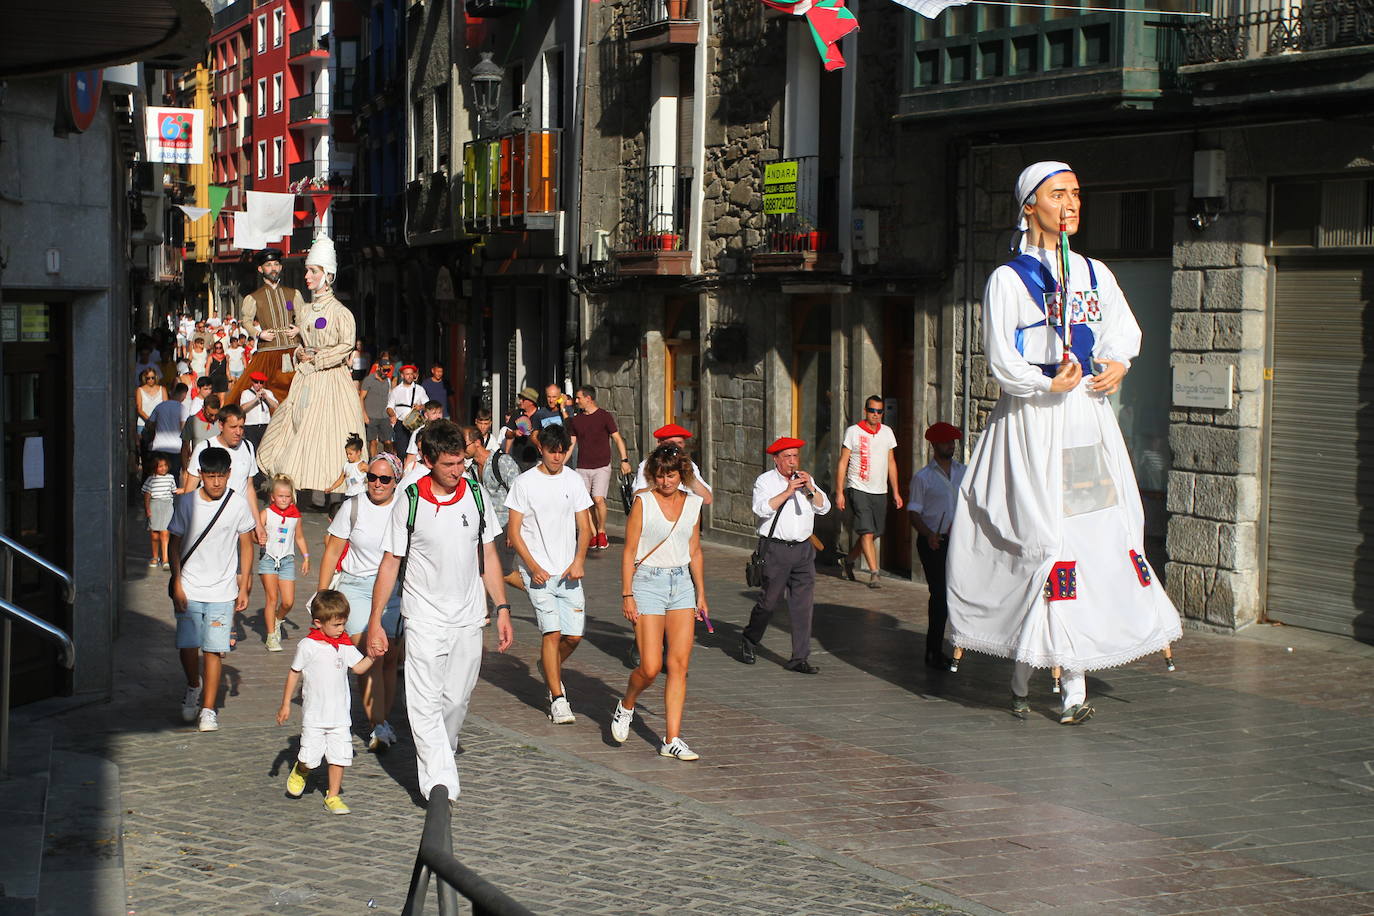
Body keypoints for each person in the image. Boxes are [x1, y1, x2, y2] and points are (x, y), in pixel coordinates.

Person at [946, 161, 1182, 725]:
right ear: (1030, 205)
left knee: (1088, 532)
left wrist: (1118, 364)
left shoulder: (1095, 273)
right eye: (1058, 194)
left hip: (1083, 425)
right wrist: (1043, 383)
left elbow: (1123, 331)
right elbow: (1001, 357)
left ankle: (1071, 681)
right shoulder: (1008, 280)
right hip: (1033, 424)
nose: (1071, 203)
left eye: (1076, 193)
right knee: (1037, 537)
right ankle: (1025, 671)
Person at [365, 421, 513, 803]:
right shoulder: (410, 500)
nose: (457, 470)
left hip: (468, 616)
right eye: (449, 464)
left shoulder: (476, 495)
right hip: (423, 616)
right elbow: (390, 563)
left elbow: (488, 554)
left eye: (461, 462)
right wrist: (376, 619)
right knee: (424, 702)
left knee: (456, 701)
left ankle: (441, 755)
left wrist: (502, 607)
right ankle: (439, 785)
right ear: (428, 461)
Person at [611, 445, 708, 761]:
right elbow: (629, 551)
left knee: (679, 665)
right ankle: (626, 704)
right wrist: (627, 593)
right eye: (661, 475)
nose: (666, 481)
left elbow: (694, 550)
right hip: (648, 583)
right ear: (654, 474)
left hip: (682, 584)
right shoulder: (643, 502)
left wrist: (701, 593)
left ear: (682, 474)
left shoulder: (693, 504)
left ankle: (672, 739)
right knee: (651, 666)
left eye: (672, 474)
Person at [257, 235, 369, 492]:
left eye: (313, 271)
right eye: (307, 271)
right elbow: (300, 341)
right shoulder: (305, 310)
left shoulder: (341, 313)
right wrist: (300, 353)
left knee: (330, 431)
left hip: (332, 379)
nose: (307, 276)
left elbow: (346, 346)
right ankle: (303, 481)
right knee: (298, 427)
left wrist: (319, 358)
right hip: (306, 379)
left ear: (327, 275)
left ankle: (332, 485)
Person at [505, 424, 593, 724]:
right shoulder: (524, 483)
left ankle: (548, 665)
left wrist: (579, 561)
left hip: (569, 572)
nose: (557, 457)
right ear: (541, 449)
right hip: (538, 573)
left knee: (574, 636)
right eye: (552, 451)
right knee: (552, 633)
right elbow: (514, 531)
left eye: (562, 451)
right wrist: (532, 566)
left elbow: (586, 527)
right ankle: (558, 699)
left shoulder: (574, 480)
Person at [318, 453, 405, 751]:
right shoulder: (352, 506)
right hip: (355, 586)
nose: (377, 484)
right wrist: (322, 596)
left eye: (385, 479)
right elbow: (332, 552)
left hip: (393, 588)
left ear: (396, 481)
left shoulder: (404, 508)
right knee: (370, 653)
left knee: (389, 657)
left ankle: (383, 719)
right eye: (372, 477)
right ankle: (377, 724)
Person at [168, 446, 256, 732]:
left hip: (223, 590)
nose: (216, 482)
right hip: (190, 586)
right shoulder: (186, 503)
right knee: (187, 646)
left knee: (214, 649)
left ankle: (208, 709)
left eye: (220, 476)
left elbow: (246, 544)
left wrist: (245, 584)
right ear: (201, 474)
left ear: (229, 474)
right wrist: (177, 582)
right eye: (210, 476)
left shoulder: (238, 504)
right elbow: (174, 544)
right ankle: (193, 685)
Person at [276, 590, 375, 815]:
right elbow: (294, 672)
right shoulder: (308, 646)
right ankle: (301, 769)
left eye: (344, 623)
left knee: (339, 756)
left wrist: (372, 656)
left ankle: (333, 796)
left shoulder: (344, 645)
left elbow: (359, 668)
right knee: (310, 758)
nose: (341, 629)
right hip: (315, 715)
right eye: (337, 625)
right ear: (318, 623)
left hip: (340, 715)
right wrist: (286, 703)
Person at [741, 437, 831, 674]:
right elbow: (760, 509)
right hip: (776, 550)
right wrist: (787, 491)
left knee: (803, 606)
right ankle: (750, 638)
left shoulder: (805, 479)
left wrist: (810, 489)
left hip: (803, 550)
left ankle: (799, 658)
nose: (792, 461)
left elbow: (824, 507)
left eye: (795, 456)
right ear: (776, 459)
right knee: (769, 602)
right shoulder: (765, 481)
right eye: (787, 457)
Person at [907, 422, 966, 669]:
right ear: (934, 445)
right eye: (946, 442)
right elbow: (913, 512)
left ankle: (960, 644)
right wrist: (929, 534)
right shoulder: (923, 478)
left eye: (953, 442)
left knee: (959, 595)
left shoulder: (965, 472)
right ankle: (933, 649)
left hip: (959, 541)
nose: (951, 446)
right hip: (934, 541)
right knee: (940, 594)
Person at [835, 395, 904, 589]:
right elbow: (843, 462)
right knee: (866, 531)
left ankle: (848, 561)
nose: (876, 414)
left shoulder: (887, 433)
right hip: (858, 487)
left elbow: (891, 462)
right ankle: (875, 573)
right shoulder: (853, 432)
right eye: (872, 410)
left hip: (880, 490)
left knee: (874, 532)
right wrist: (840, 492)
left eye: (879, 411)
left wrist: (896, 492)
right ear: (865, 411)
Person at [227, 248, 301, 407]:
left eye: (276, 264)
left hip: (293, 349)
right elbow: (246, 321)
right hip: (268, 350)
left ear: (281, 267)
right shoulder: (254, 297)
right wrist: (259, 334)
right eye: (268, 265)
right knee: (258, 387)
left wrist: (299, 329)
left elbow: (302, 317)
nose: (273, 268)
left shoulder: (293, 294)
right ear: (260, 269)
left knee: (301, 389)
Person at [184, 405, 264, 544]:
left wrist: (258, 524)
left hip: (238, 524)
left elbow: (249, 488)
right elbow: (189, 490)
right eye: (233, 427)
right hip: (209, 522)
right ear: (221, 425)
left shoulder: (248, 447)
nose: (238, 432)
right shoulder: (205, 448)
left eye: (241, 427)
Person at [569, 385, 631, 550]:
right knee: (585, 502)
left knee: (598, 499)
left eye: (578, 398)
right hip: (582, 467)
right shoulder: (576, 420)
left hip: (601, 466)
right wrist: (560, 464)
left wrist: (624, 460)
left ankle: (602, 531)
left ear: (588, 398)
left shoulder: (604, 416)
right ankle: (593, 533)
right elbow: (571, 444)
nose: (576, 401)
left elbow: (617, 439)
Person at [260, 475, 310, 652]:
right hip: (268, 559)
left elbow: (299, 537)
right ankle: (271, 637)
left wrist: (306, 557)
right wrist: (258, 538)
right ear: (273, 497)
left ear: (292, 497)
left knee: (288, 602)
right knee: (272, 598)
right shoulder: (266, 513)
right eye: (280, 496)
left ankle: (277, 619)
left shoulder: (295, 517)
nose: (283, 499)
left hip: (287, 560)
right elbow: (254, 534)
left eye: (287, 496)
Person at [632, 425, 713, 505]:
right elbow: (637, 497)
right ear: (659, 444)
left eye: (679, 443)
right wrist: (659, 485)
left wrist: (689, 477)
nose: (676, 447)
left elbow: (707, 500)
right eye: (671, 443)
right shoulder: (648, 464)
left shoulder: (690, 465)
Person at [463, 424, 519, 528]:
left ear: (477, 443)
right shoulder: (472, 470)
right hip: (487, 527)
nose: (462, 450)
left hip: (506, 525)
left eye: (464, 446)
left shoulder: (502, 461)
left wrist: (513, 528)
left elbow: (519, 495)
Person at [142, 455, 180, 569]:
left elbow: (174, 491)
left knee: (165, 532)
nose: (163, 468)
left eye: (165, 465)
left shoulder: (171, 478)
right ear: (155, 468)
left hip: (167, 506)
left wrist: (186, 488)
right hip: (155, 506)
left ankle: (165, 559)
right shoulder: (151, 479)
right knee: (154, 534)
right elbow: (147, 495)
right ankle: (155, 557)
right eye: (160, 466)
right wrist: (147, 509)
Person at [146, 383, 189, 480]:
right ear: (183, 394)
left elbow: (149, 424)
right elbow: (184, 429)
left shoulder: (160, 406)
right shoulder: (182, 408)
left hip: (159, 447)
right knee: (173, 479)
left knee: (157, 478)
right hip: (175, 448)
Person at [180, 393, 221, 479]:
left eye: (216, 415)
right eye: (210, 414)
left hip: (217, 467)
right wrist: (185, 469)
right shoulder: (192, 420)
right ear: (203, 408)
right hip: (197, 467)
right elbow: (185, 446)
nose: (213, 418)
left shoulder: (221, 421)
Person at [386, 364, 423, 456]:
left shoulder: (419, 389)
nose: (410, 376)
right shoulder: (396, 390)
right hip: (401, 423)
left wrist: (420, 407)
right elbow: (389, 407)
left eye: (411, 374)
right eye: (407, 374)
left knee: (416, 452)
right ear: (402, 375)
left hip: (416, 424)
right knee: (401, 451)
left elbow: (427, 404)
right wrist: (392, 415)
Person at [502, 388, 543, 469]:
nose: (520, 401)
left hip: (537, 460)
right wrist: (514, 433)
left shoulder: (541, 414)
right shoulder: (517, 413)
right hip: (518, 460)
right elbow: (507, 435)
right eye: (520, 398)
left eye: (523, 399)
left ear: (531, 401)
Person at [360, 359, 394, 456]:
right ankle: (373, 461)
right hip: (371, 416)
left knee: (388, 442)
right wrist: (364, 415)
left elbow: (390, 397)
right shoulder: (369, 380)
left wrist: (392, 414)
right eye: (384, 370)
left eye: (388, 370)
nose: (386, 372)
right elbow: (361, 398)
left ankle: (389, 460)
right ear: (378, 368)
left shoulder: (388, 381)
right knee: (373, 442)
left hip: (384, 416)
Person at [239, 370, 278, 450]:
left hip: (265, 425)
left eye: (261, 382)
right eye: (256, 382)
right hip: (251, 426)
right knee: (253, 449)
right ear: (252, 382)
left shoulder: (268, 393)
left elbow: (276, 406)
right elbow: (242, 408)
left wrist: (266, 397)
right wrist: (255, 400)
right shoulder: (246, 393)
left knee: (265, 449)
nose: (259, 385)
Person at [402, 402, 445, 475]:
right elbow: (411, 457)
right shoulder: (418, 432)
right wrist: (405, 476)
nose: (438, 416)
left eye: (440, 413)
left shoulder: (446, 430)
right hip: (423, 468)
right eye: (434, 413)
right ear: (426, 415)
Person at [324, 434, 369, 500]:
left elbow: (374, 473)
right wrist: (331, 488)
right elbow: (340, 479)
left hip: (360, 495)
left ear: (358, 452)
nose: (348, 456)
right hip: (348, 494)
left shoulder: (362, 465)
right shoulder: (346, 465)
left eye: (350, 454)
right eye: (347, 454)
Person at [135, 368, 167, 441]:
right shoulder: (139, 390)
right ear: (144, 378)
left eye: (153, 378)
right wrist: (150, 421)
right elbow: (139, 409)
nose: (151, 380)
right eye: (148, 378)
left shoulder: (162, 389)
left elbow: (165, 407)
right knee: (143, 445)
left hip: (159, 424)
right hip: (143, 423)